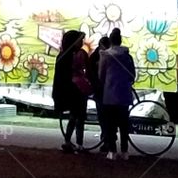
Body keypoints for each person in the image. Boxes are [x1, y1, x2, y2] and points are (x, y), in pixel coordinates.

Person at [99, 28, 136, 160]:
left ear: (110, 41)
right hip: (124, 93)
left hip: (109, 93)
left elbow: (101, 75)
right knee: (124, 124)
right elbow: (133, 75)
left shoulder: (105, 56)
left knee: (110, 124)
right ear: (121, 41)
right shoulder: (127, 56)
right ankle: (125, 151)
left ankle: (112, 151)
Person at [52, 28, 90, 153]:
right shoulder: (70, 56)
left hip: (74, 90)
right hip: (75, 90)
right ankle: (76, 143)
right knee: (78, 117)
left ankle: (70, 141)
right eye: (80, 41)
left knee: (75, 117)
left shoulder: (64, 55)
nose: (82, 43)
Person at [88, 35, 111, 146]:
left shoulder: (97, 56)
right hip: (101, 90)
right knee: (103, 116)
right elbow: (90, 72)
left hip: (105, 90)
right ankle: (106, 140)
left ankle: (107, 140)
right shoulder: (95, 57)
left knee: (105, 116)